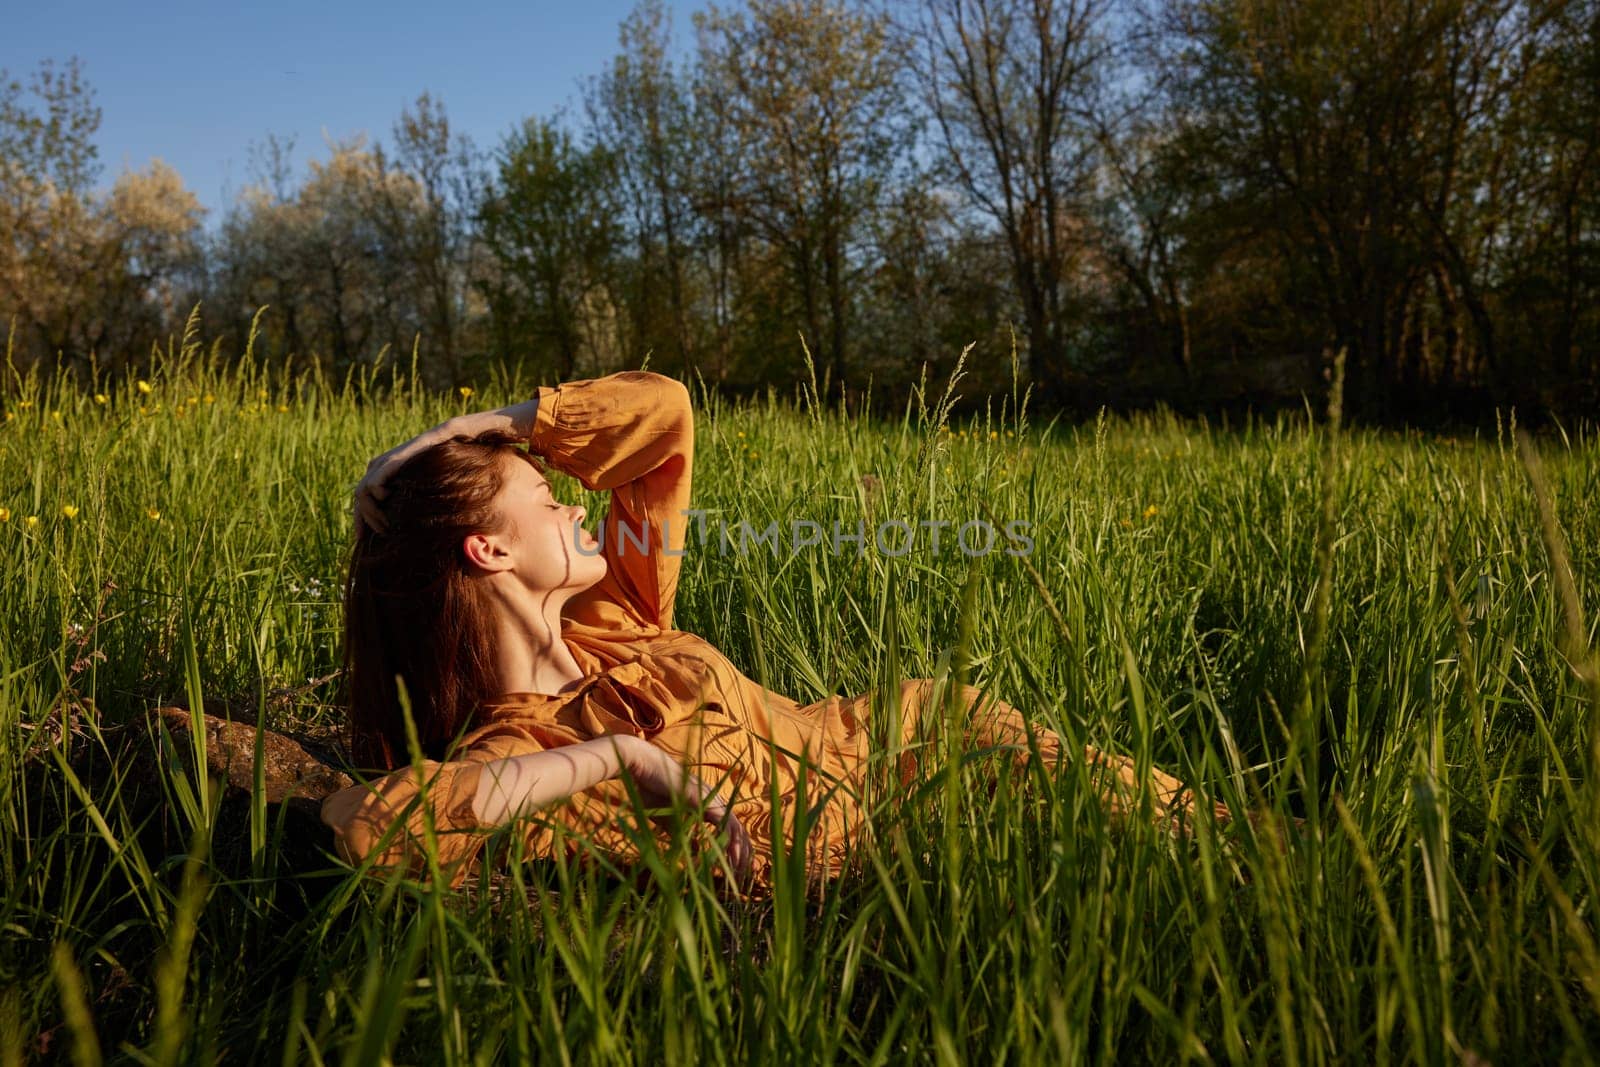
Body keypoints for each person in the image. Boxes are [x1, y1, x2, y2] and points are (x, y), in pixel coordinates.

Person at [319, 371, 1227, 892]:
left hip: (889, 742)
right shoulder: (521, 742)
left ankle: (1253, 848)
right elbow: (367, 824)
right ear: (488, 550)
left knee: (1132, 807)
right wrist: (617, 759)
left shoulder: (618, 617)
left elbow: (663, 416)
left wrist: (469, 425)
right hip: (837, 849)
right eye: (550, 502)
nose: (577, 508)